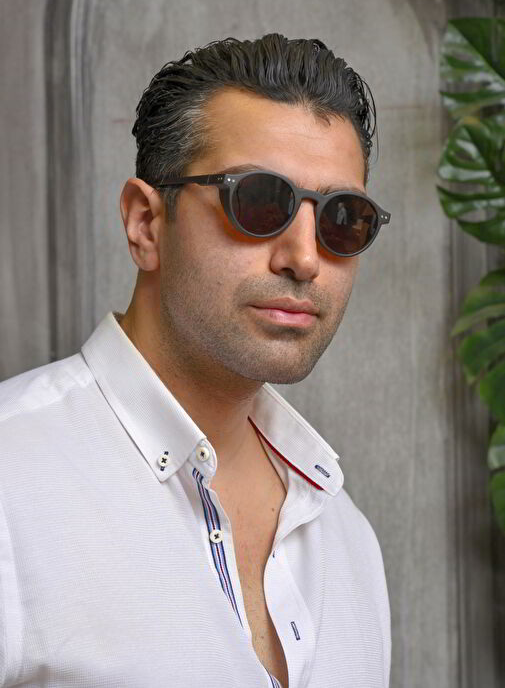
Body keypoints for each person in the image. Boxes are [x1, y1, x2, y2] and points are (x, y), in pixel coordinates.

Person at [0, 33, 391, 688]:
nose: (304, 258)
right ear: (145, 223)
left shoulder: (346, 538)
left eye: (342, 218)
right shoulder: (12, 485)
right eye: (258, 201)